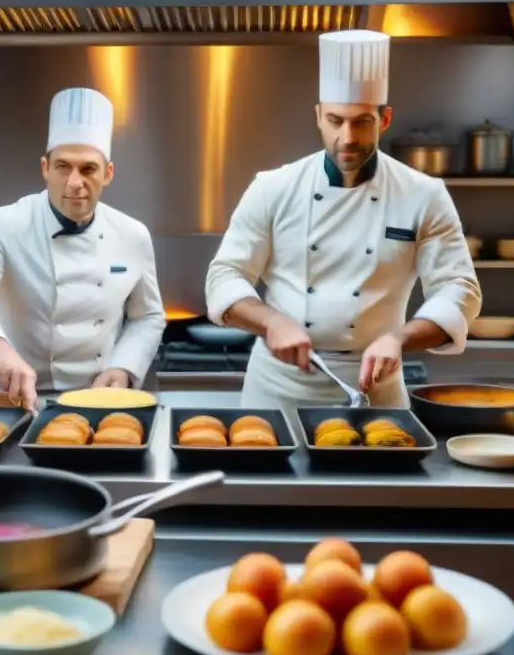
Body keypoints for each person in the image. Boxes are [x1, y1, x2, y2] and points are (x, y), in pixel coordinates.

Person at [205, 30, 481, 412]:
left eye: (362, 121)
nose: (346, 137)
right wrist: (271, 322)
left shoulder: (423, 194)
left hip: (376, 390)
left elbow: (459, 288)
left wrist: (399, 339)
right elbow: (224, 276)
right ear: (319, 116)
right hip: (278, 390)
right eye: (335, 120)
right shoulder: (273, 188)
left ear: (384, 119)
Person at [0, 87, 165, 408]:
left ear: (108, 174)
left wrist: (123, 367)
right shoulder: (3, 224)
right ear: (45, 168)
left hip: (94, 399)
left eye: (88, 168)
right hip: (6, 396)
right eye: (63, 167)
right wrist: (0, 352)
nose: (75, 182)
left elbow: (148, 316)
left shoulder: (133, 235)